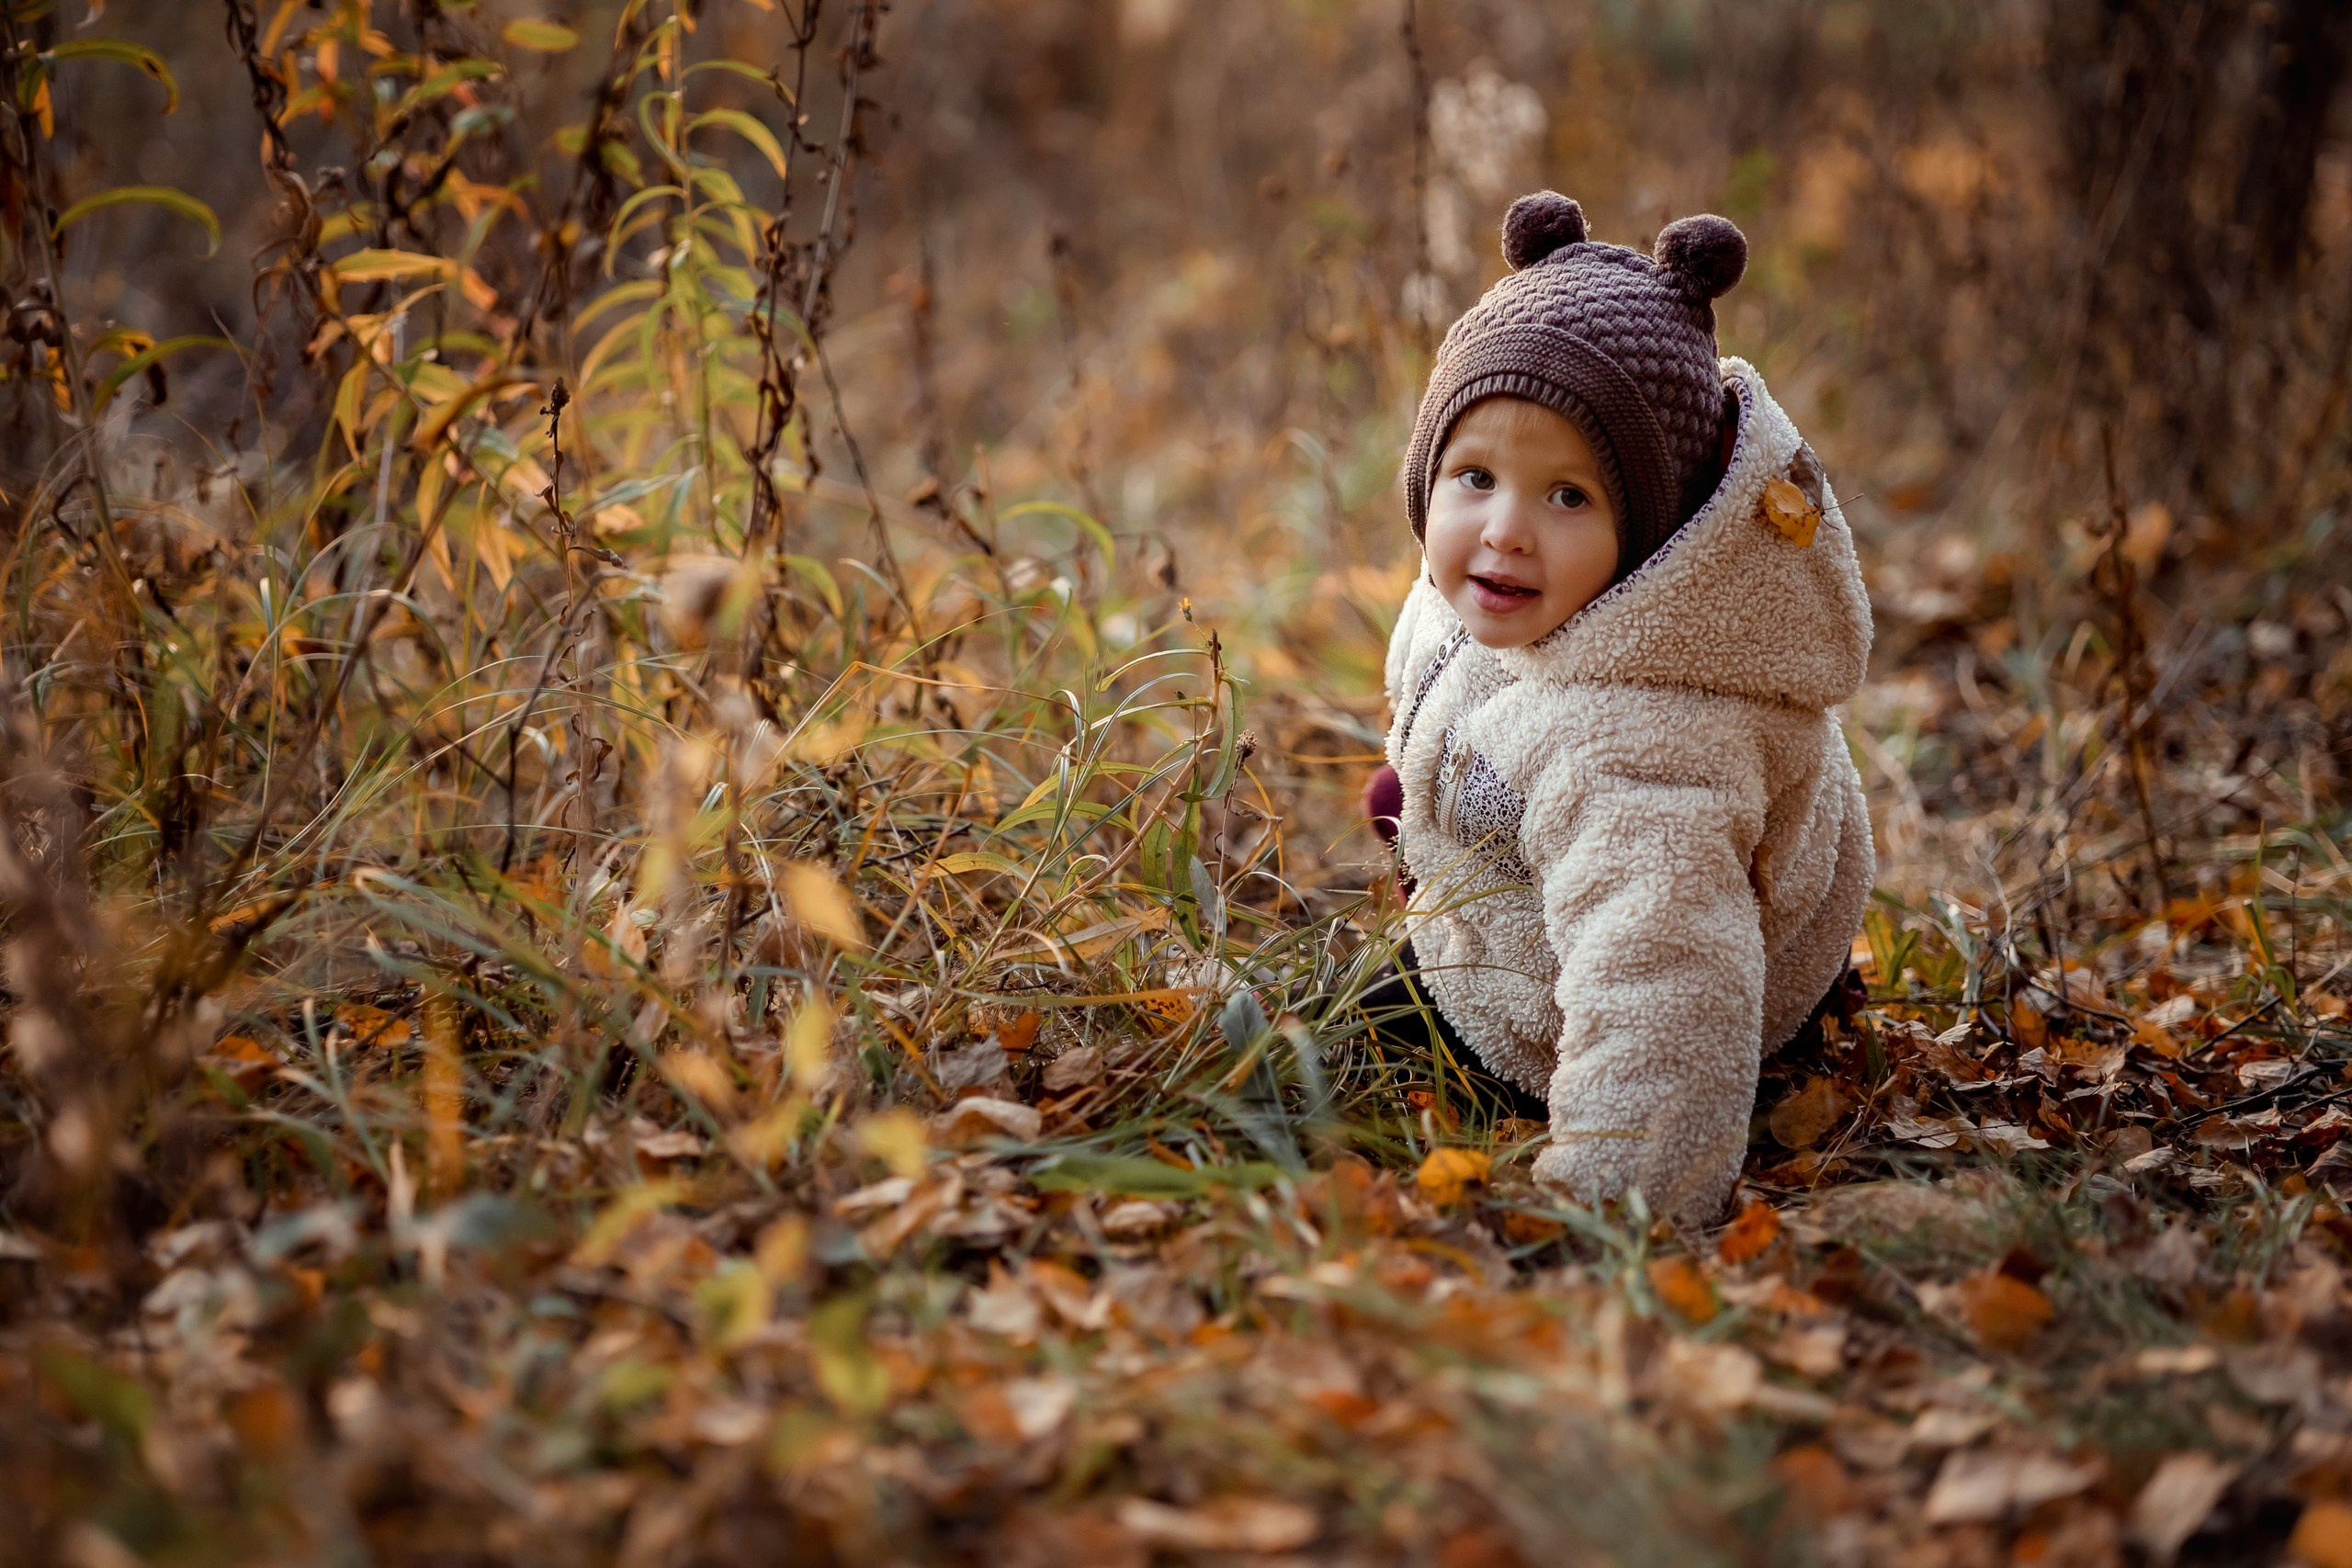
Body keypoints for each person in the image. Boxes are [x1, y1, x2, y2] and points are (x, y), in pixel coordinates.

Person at [1363, 191, 1874, 1228]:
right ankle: (1455, 815)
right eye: (1474, 476)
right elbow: (1454, 680)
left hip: (1628, 998)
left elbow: (1669, 996)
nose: (1504, 530)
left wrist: (1618, 1208)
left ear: (1653, 536)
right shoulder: (1509, 593)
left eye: (1569, 497)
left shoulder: (1641, 756)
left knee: (1329, 1058)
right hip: (1546, 888)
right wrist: (1433, 785)